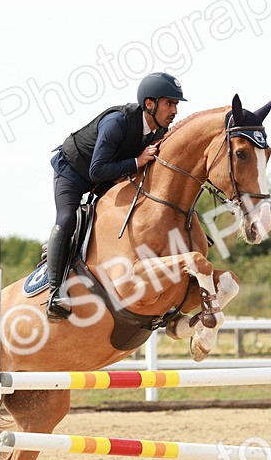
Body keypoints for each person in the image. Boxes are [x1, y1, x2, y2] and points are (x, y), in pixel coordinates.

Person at [44, 71, 186, 319]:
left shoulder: (160, 132)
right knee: (67, 219)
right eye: (169, 103)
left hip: (107, 177)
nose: (174, 110)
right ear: (150, 104)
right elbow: (96, 170)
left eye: (175, 104)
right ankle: (55, 292)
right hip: (74, 172)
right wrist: (137, 161)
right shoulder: (117, 122)